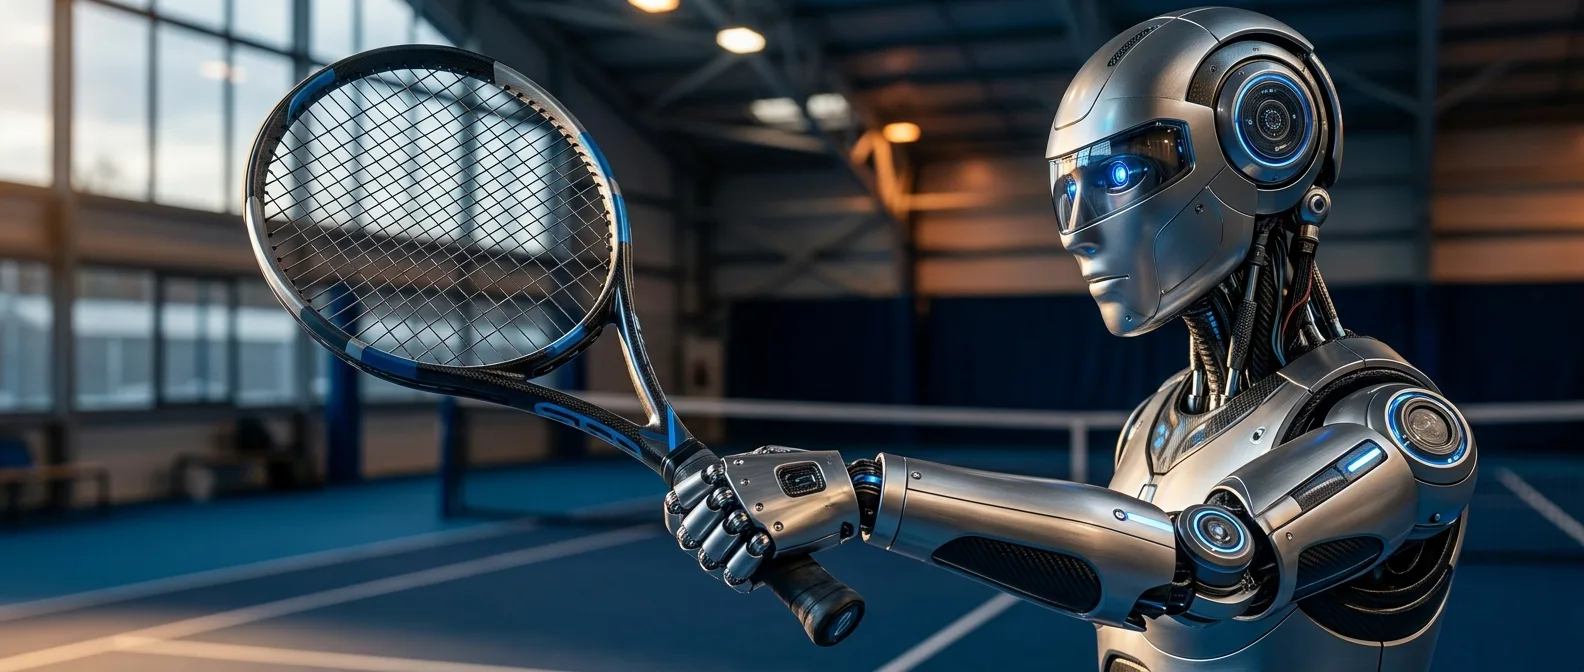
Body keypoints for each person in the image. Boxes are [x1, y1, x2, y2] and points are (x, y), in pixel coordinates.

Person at [665, 7, 1474, 670]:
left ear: (1269, 140)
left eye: (1120, 174)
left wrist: (866, 491)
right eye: (1065, 191)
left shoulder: (1398, 427)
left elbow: (1208, 569)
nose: (1078, 231)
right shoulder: (1154, 422)